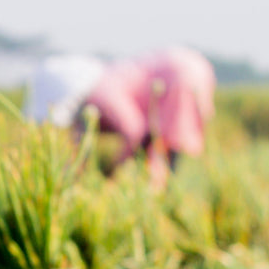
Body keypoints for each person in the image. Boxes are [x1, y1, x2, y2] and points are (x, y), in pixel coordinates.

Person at [80, 47, 215, 186]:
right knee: (172, 140)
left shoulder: (102, 92)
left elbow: (135, 130)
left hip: (178, 76)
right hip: (198, 68)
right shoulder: (114, 74)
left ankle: (160, 189)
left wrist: (114, 172)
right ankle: (165, 190)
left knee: (165, 140)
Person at [21, 54, 106, 128]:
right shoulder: (107, 78)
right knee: (53, 123)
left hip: (46, 75)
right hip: (72, 86)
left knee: (37, 120)